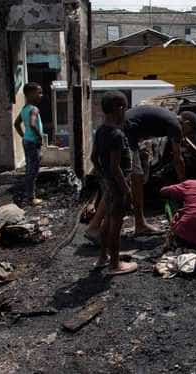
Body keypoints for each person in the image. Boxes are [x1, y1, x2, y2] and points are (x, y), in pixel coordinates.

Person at [85, 107, 196, 241]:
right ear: (186, 123)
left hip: (124, 134)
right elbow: (178, 159)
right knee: (117, 184)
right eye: (187, 132)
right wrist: (183, 184)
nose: (184, 136)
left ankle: (140, 224)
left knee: (137, 179)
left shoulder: (168, 119)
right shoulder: (175, 125)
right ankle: (93, 227)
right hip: (123, 136)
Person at [90, 91, 137, 275]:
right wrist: (126, 191)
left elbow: (94, 158)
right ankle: (115, 264)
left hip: (107, 184)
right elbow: (116, 167)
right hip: (117, 185)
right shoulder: (117, 135)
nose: (125, 112)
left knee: (107, 220)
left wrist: (104, 179)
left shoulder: (101, 131)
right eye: (124, 108)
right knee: (116, 225)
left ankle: (103, 258)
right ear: (118, 109)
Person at [13, 82, 44, 205]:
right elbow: (32, 124)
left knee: (29, 169)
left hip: (27, 141)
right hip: (33, 143)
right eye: (39, 93)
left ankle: (30, 193)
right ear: (30, 94)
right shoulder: (34, 109)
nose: (41, 95)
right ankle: (31, 198)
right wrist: (39, 137)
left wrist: (24, 136)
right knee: (33, 170)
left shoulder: (24, 109)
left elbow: (16, 124)